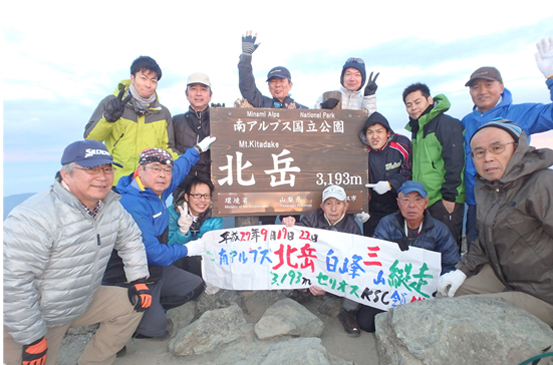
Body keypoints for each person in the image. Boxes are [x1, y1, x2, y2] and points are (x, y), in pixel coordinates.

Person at [3, 140, 151, 365]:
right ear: (66, 174)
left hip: (82, 299)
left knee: (132, 303)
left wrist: (139, 280)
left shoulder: (110, 205)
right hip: (39, 314)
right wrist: (31, 338)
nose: (102, 177)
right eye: (91, 170)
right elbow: (12, 283)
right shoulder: (35, 217)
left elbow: (130, 239)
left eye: (107, 169)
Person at [438, 119, 553, 327]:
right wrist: (461, 270)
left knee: (466, 316)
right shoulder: (486, 189)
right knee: (445, 296)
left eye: (497, 148)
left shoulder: (543, 183)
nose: (488, 158)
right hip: (504, 275)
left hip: (543, 293)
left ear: (517, 148)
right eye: (479, 153)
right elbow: (484, 240)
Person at [102, 136, 216, 340]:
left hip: (157, 272)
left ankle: (149, 307)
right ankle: (124, 314)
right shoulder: (132, 203)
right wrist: (191, 248)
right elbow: (153, 253)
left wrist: (197, 149)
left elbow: (180, 168)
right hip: (128, 276)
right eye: (156, 169)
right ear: (140, 170)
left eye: (166, 170)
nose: (163, 175)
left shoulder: (157, 192)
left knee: (195, 286)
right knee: (155, 331)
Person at [462, 37, 553, 247]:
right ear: (470, 93)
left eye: (488, 85)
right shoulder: (465, 122)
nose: (482, 91)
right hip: (476, 201)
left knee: (516, 256)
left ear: (501, 87)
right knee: (478, 254)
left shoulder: (520, 113)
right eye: (476, 87)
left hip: (515, 202)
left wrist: (551, 77)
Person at [356, 181, 460, 333]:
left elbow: (451, 264)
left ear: (426, 203)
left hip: (424, 289)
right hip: (391, 285)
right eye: (406, 199)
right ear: (398, 203)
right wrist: (394, 251)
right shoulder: (387, 223)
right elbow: (376, 258)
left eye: (418, 200)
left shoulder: (440, 230)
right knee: (366, 323)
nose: (411, 205)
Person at [282, 185, 363, 337]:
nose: (333, 208)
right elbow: (297, 243)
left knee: (358, 271)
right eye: (328, 203)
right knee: (290, 256)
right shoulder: (312, 218)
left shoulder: (352, 229)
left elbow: (350, 264)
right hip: (312, 269)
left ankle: (348, 312)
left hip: (336, 273)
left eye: (338, 203)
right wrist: (289, 224)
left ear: (346, 206)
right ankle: (298, 294)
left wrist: (327, 282)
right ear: (322, 206)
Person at [84, 55, 179, 185]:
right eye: (143, 78)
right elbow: (90, 140)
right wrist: (108, 119)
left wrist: (188, 161)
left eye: (153, 80)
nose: (148, 84)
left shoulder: (162, 113)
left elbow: (166, 149)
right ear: (132, 78)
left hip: (148, 184)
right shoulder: (112, 103)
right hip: (115, 182)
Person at [403, 83, 465, 249]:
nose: (413, 108)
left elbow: (455, 160)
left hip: (443, 199)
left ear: (429, 100)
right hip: (425, 200)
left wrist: (450, 197)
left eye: (417, 102)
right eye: (409, 105)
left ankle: (450, 275)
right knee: (430, 249)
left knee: (447, 248)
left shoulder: (446, 123)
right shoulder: (418, 129)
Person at [358, 111, 412, 236]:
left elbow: (409, 171)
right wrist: (361, 207)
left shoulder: (401, 144)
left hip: (398, 206)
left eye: (379, 131)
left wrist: (390, 184)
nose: (374, 136)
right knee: (372, 245)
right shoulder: (360, 151)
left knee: (397, 245)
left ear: (388, 133)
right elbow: (354, 178)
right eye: (370, 132)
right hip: (372, 209)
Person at [168, 175, 223, 277]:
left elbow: (214, 246)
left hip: (201, 262)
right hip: (178, 261)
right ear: (186, 197)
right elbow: (169, 248)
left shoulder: (215, 215)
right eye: (197, 195)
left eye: (206, 196)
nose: (202, 200)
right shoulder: (172, 213)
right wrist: (182, 231)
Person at [238, 30, 307, 109]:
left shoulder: (303, 110)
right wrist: (246, 57)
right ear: (268, 86)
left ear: (290, 85)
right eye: (273, 81)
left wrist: (294, 115)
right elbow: (247, 88)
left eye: (281, 81)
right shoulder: (262, 103)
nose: (277, 85)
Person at [172, 72, 214, 199]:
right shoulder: (176, 121)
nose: (198, 93)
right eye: (193, 89)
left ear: (210, 95)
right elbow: (169, 147)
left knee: (211, 219)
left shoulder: (220, 120)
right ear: (187, 94)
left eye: (203, 89)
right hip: (182, 186)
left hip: (211, 187)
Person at [314, 57, 379, 112]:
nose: (352, 79)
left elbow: (372, 121)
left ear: (363, 79)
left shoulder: (365, 101)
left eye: (357, 75)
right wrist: (322, 107)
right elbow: (311, 118)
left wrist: (369, 97)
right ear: (342, 77)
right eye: (348, 74)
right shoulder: (327, 96)